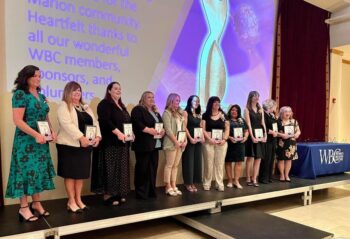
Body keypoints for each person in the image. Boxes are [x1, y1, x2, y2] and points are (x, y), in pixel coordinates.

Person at [5, 65, 56, 222]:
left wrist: (51, 132)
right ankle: (24, 208)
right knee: (25, 173)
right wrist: (35, 134)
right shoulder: (20, 94)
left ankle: (36, 204)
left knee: (37, 172)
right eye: (35, 75)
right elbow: (17, 120)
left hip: (41, 142)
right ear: (26, 76)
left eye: (40, 76)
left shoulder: (40, 95)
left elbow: (44, 116)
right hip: (26, 141)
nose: (38, 78)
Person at [56, 82, 101, 213]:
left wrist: (97, 136)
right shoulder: (63, 106)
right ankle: (71, 201)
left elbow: (95, 122)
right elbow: (66, 124)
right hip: (69, 146)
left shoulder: (85, 107)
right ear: (67, 92)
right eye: (74, 91)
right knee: (70, 174)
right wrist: (81, 137)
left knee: (80, 174)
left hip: (85, 146)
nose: (77, 93)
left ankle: (78, 200)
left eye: (79, 91)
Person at [91, 82, 131, 205]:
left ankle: (119, 193)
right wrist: (118, 133)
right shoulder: (105, 104)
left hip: (123, 143)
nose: (118, 90)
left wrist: (131, 134)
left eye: (120, 88)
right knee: (110, 169)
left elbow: (127, 123)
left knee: (121, 169)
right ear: (109, 90)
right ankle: (108, 195)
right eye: (115, 88)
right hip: (110, 142)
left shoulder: (122, 106)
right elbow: (105, 121)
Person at [131, 91, 165, 199]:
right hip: (143, 145)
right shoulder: (138, 109)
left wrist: (163, 130)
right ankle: (141, 193)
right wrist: (148, 130)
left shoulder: (155, 112)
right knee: (142, 169)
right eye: (149, 97)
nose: (152, 99)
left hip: (155, 144)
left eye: (153, 97)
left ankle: (151, 191)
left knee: (152, 168)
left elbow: (160, 124)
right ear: (143, 99)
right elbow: (136, 123)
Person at [202, 96, 229, 191]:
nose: (217, 104)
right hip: (208, 141)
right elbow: (203, 129)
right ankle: (207, 183)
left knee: (219, 163)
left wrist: (224, 139)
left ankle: (219, 183)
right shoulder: (205, 115)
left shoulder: (224, 115)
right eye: (215, 102)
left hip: (221, 142)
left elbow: (227, 128)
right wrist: (209, 139)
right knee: (208, 163)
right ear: (211, 104)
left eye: (218, 102)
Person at [162, 93, 186, 196]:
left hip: (180, 143)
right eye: (176, 100)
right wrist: (176, 141)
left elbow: (183, 128)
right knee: (169, 165)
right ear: (171, 101)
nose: (178, 102)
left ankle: (173, 184)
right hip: (171, 143)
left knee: (176, 166)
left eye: (179, 101)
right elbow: (168, 130)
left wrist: (184, 140)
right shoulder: (166, 113)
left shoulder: (180, 114)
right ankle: (167, 186)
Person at [244, 91, 267, 187]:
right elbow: (248, 124)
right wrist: (252, 136)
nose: (256, 97)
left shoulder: (260, 109)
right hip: (252, 133)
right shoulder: (246, 109)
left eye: (258, 96)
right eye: (254, 96)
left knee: (258, 158)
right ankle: (248, 178)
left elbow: (263, 122)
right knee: (250, 157)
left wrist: (265, 134)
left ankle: (254, 178)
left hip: (260, 133)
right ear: (250, 97)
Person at [182, 95, 204, 192]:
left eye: (198, 101)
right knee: (188, 162)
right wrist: (190, 138)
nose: (197, 103)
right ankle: (188, 183)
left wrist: (202, 137)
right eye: (195, 101)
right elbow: (184, 127)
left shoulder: (199, 114)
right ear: (190, 101)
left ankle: (193, 182)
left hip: (198, 141)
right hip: (189, 141)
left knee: (197, 162)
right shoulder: (185, 112)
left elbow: (200, 127)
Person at [225, 104, 248, 189]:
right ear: (230, 111)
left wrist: (245, 137)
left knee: (239, 162)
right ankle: (230, 180)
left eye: (236, 110)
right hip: (230, 144)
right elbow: (223, 132)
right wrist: (230, 137)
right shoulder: (226, 120)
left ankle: (236, 181)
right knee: (228, 162)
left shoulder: (241, 120)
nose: (234, 111)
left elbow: (246, 130)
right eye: (233, 110)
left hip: (240, 144)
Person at [276, 106, 301, 182]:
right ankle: (282, 175)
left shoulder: (294, 121)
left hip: (291, 143)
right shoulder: (278, 121)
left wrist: (297, 134)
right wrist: (281, 135)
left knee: (289, 160)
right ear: (282, 113)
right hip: (281, 143)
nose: (288, 113)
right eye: (286, 112)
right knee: (281, 159)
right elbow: (275, 132)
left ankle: (286, 175)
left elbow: (298, 131)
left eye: (289, 112)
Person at [259, 99, 278, 184]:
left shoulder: (272, 115)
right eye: (274, 106)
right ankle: (263, 178)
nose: (275, 108)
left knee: (271, 159)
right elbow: (263, 127)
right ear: (270, 106)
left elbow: (275, 126)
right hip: (267, 139)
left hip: (273, 139)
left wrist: (276, 132)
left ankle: (269, 176)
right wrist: (272, 132)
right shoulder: (264, 114)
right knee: (266, 159)